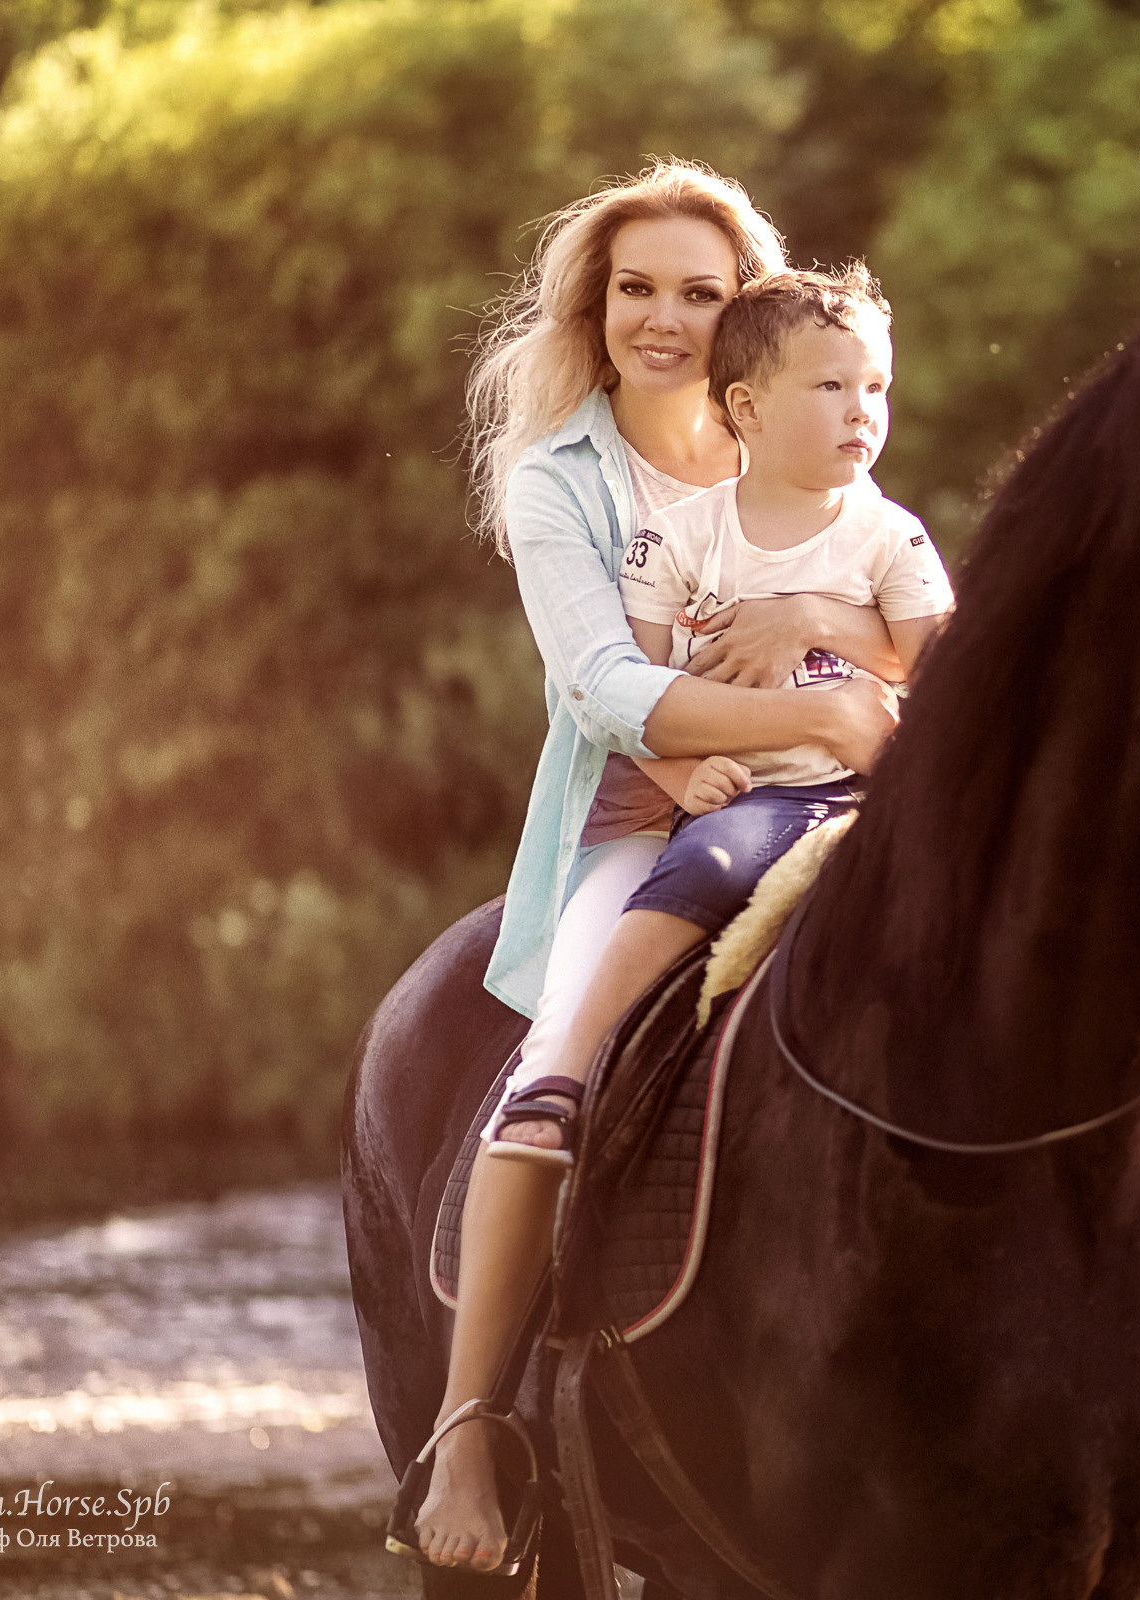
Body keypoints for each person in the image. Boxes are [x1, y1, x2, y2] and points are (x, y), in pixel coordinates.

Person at [407, 163, 904, 1574]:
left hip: (839, 802)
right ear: (597, 304)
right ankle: (469, 1427)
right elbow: (603, 686)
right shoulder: (559, 483)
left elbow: (906, 629)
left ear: (747, 313)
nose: (665, 318)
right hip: (635, 824)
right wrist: (817, 715)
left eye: (700, 291)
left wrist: (822, 634)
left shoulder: (808, 430)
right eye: (637, 289)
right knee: (551, 1075)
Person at [491, 261, 950, 1181]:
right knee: (706, 865)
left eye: (876, 387)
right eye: (832, 388)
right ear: (747, 407)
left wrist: (821, 623)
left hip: (874, 781)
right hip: (759, 796)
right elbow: (637, 684)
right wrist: (681, 775)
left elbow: (944, 669)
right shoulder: (681, 538)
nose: (863, 411)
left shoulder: (889, 535)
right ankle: (566, 1070)